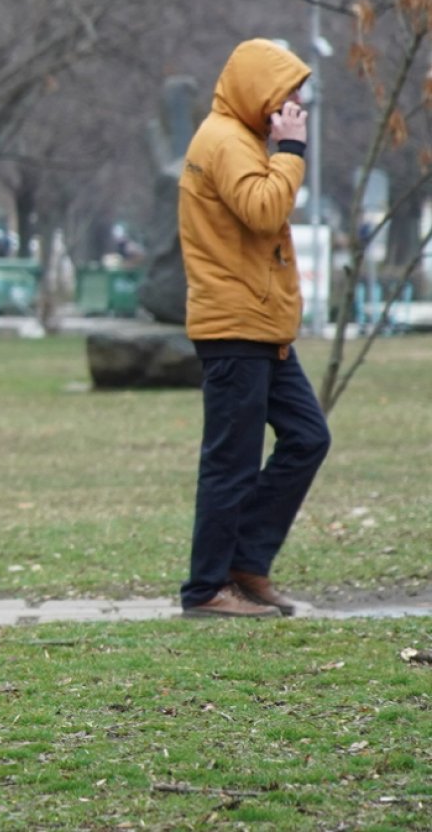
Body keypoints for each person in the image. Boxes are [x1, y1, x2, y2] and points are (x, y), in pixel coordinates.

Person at [178, 38, 331, 620]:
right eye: (285, 94)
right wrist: (291, 151)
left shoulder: (237, 138)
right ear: (255, 91)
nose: (292, 105)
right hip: (234, 325)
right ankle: (206, 588)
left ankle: (246, 564)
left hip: (262, 327)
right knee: (231, 462)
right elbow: (264, 209)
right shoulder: (224, 142)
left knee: (308, 438)